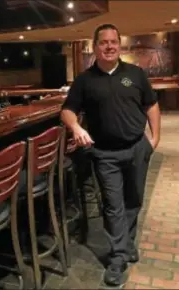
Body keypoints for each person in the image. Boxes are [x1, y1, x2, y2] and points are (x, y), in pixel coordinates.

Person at [61, 24, 161, 286]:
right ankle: (118, 258)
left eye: (113, 41)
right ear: (95, 46)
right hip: (105, 154)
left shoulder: (136, 74)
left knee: (134, 200)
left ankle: (126, 244)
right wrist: (75, 126)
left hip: (137, 148)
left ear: (119, 44)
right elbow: (67, 110)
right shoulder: (85, 80)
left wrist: (155, 138)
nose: (109, 46)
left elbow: (151, 105)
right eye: (103, 42)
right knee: (113, 206)